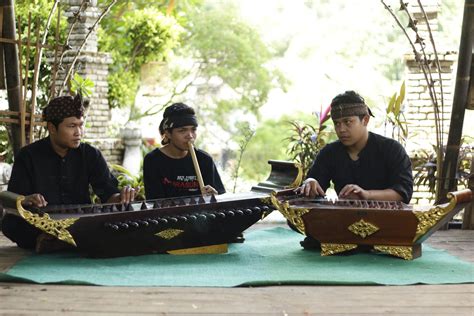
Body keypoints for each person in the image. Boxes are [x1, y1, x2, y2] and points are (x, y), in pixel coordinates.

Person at [1, 94, 137, 250]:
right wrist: (27, 199)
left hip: (81, 221)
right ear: (52, 128)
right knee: (10, 222)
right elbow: (14, 200)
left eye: (81, 125)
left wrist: (123, 197)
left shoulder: (90, 155)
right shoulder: (28, 156)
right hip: (43, 222)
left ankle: (55, 242)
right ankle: (49, 239)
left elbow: (108, 195)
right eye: (72, 126)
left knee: (117, 218)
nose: (79, 132)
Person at [298, 90, 413, 204]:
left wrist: (367, 195)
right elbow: (315, 188)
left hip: (387, 220)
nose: (341, 129)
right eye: (337, 123)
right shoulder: (329, 153)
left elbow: (403, 192)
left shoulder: (391, 149)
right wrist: (310, 183)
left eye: (348, 122)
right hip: (343, 220)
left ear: (365, 120)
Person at [144, 103, 225, 199]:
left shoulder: (204, 160)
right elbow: (154, 202)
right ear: (168, 134)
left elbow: (220, 197)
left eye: (193, 130)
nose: (190, 136)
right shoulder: (153, 160)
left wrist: (215, 197)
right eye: (182, 130)